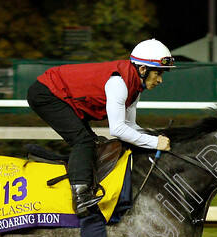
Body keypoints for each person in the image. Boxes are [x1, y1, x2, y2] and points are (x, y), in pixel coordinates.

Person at [27, 39, 175, 217]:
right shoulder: (119, 83)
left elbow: (129, 125)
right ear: (143, 69)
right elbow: (118, 130)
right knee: (83, 141)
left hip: (61, 95)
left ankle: (79, 180)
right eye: (158, 73)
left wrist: (154, 137)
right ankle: (80, 198)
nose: (160, 80)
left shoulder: (135, 86)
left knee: (94, 143)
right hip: (46, 93)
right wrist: (153, 142)